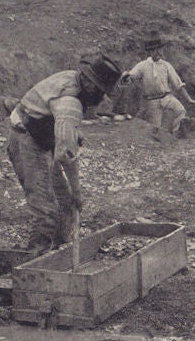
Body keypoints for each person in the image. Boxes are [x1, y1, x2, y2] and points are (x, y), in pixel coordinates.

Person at [7, 52, 123, 254]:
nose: (101, 97)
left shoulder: (72, 78)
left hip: (41, 135)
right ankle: (34, 259)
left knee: (64, 203)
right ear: (90, 85)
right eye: (101, 91)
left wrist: (71, 134)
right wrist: (77, 191)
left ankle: (59, 251)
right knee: (46, 211)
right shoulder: (70, 101)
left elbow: (62, 129)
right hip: (27, 139)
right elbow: (66, 156)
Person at [121, 35, 195, 139]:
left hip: (167, 98)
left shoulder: (166, 65)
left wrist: (189, 99)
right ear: (149, 52)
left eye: (159, 49)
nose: (158, 52)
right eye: (154, 50)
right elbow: (131, 76)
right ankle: (162, 143)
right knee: (156, 129)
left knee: (180, 111)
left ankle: (175, 136)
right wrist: (126, 77)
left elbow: (178, 84)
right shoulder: (142, 66)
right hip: (152, 102)